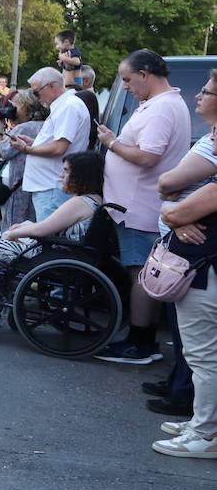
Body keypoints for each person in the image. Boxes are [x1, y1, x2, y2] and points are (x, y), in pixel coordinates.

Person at [87, 51, 192, 365]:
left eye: (128, 80)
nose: (127, 86)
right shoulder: (160, 105)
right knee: (141, 273)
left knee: (142, 275)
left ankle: (140, 342)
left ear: (145, 74)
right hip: (134, 203)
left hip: (138, 206)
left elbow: (148, 156)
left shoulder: (162, 109)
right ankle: (140, 338)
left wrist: (112, 143)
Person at [0, 151, 106, 314]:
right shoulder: (93, 200)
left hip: (57, 256)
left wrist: (15, 234)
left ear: (81, 176)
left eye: (66, 171)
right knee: (7, 240)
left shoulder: (78, 203)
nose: (61, 175)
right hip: (65, 253)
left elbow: (42, 229)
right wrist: (23, 227)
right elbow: (49, 226)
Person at [147, 71, 217, 418]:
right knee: (188, 338)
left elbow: (170, 184)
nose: (198, 97)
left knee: (202, 353)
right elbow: (166, 192)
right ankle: (186, 400)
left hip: (201, 257)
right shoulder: (209, 144)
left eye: (206, 91)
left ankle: (201, 426)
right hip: (190, 251)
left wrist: (175, 210)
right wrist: (172, 207)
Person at [13, 67, 91, 223]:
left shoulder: (68, 106)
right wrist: (34, 143)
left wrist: (28, 149)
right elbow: (58, 143)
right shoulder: (64, 105)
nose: (36, 98)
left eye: (36, 92)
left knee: (49, 240)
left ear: (52, 86)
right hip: (50, 186)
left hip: (52, 187)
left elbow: (59, 147)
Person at [0, 89, 49, 230]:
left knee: (14, 228)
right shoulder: (46, 125)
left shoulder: (23, 129)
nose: (12, 110)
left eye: (16, 106)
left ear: (27, 107)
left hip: (19, 187)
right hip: (40, 185)